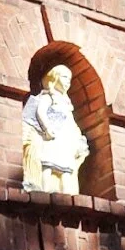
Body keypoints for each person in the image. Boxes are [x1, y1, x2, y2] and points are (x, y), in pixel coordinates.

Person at [22, 65, 90, 194]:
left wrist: (77, 138)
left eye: (69, 79)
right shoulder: (48, 97)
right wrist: (47, 128)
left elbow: (70, 121)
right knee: (48, 164)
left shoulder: (66, 102)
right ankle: (45, 190)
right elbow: (40, 111)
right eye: (64, 77)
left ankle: (67, 193)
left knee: (65, 167)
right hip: (51, 138)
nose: (67, 82)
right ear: (55, 78)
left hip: (63, 139)